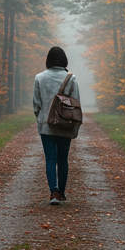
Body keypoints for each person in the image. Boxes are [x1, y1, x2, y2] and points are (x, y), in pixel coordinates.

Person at [32, 45, 81, 205]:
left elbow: (36, 103)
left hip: (46, 124)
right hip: (65, 123)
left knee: (50, 158)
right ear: (64, 60)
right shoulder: (71, 78)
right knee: (63, 158)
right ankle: (61, 192)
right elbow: (75, 102)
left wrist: (41, 117)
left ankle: (53, 192)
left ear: (48, 60)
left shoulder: (39, 77)